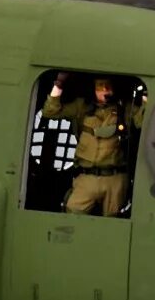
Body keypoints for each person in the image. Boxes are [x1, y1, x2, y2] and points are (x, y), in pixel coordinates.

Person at [45, 75, 143, 216]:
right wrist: (59, 84)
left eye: (108, 86)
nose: (105, 90)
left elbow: (141, 121)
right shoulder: (81, 107)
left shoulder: (124, 108)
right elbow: (50, 112)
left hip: (115, 178)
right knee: (73, 212)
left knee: (113, 221)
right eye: (100, 86)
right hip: (87, 177)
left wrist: (145, 99)